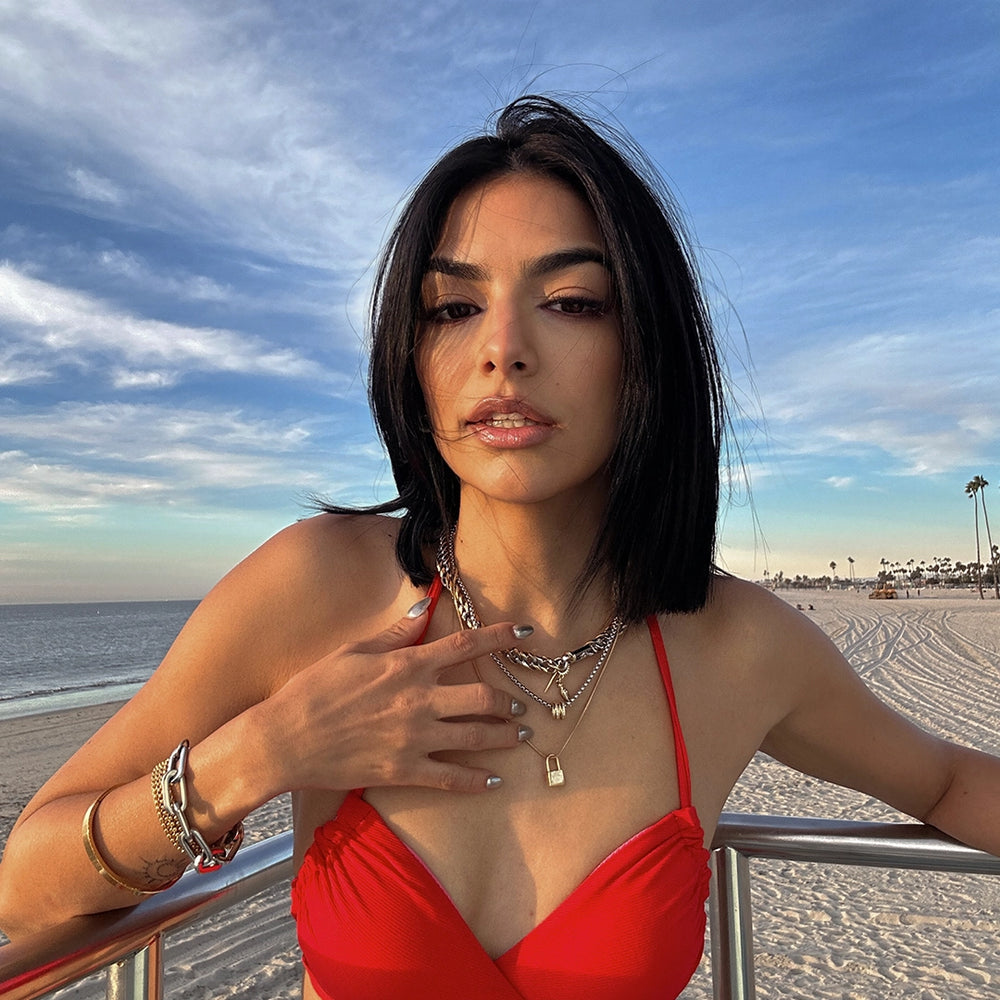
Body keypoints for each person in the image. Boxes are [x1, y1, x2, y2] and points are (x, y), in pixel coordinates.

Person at [1, 96, 998, 1000]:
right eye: (452, 306)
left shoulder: (736, 643)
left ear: (645, 345)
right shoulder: (317, 586)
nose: (502, 348)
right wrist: (259, 754)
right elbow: (24, 882)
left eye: (569, 301)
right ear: (413, 354)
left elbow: (946, 781)